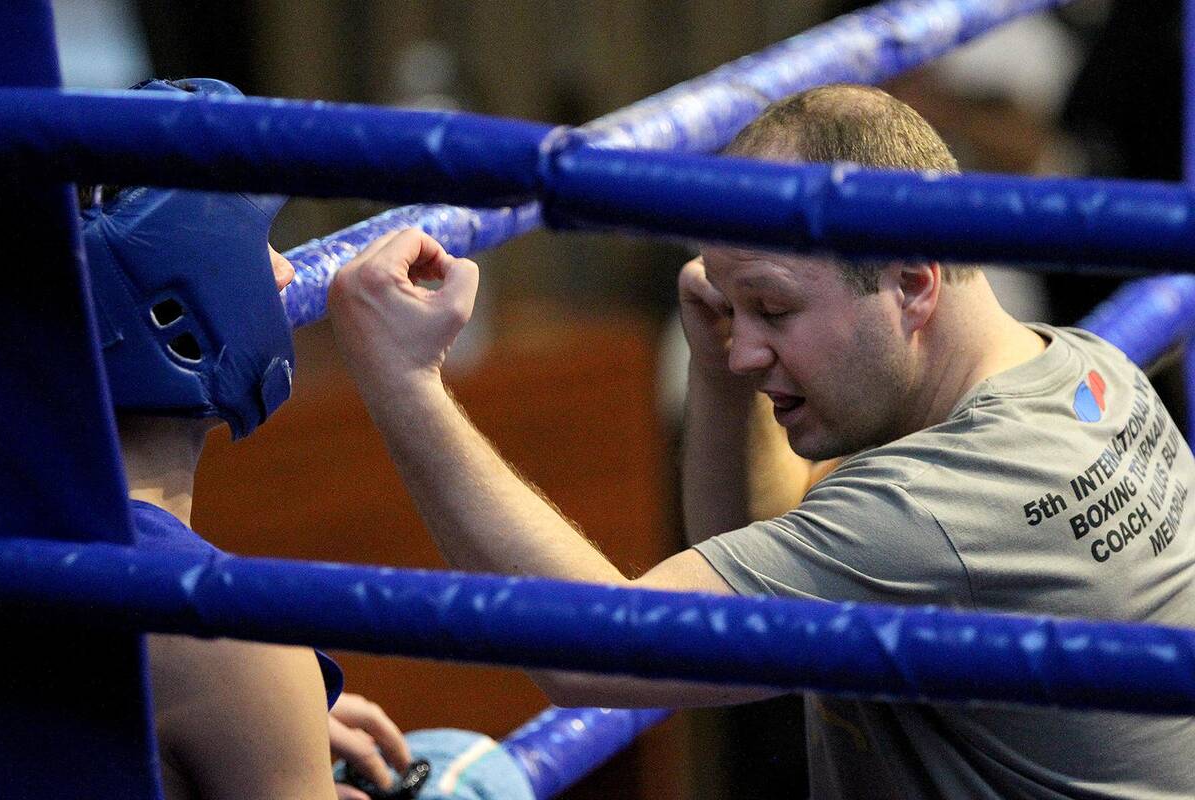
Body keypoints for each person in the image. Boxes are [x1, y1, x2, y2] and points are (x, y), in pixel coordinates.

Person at [328, 82, 1195, 798]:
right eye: (733, 306)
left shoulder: (935, 510)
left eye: (774, 308)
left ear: (911, 282)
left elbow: (595, 651)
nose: (745, 348)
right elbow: (755, 571)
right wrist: (719, 375)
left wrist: (405, 381)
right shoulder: (1085, 367)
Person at [85, 77, 411, 800]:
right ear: (173, 306)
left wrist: (262, 733)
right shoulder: (229, 636)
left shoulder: (23, 534)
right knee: (471, 772)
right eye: (255, 245)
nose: (288, 271)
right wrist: (262, 705)